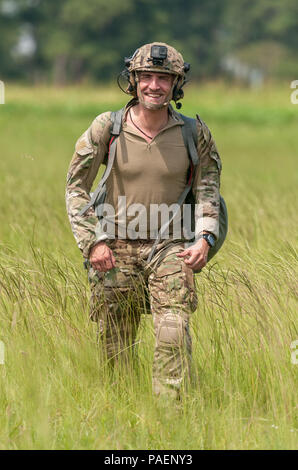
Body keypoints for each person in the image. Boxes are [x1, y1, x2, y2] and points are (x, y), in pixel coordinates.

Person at [65, 42, 222, 399]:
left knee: (173, 331)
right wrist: (93, 242)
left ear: (176, 84)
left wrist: (204, 239)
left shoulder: (193, 132)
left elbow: (210, 190)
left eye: (164, 78)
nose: (155, 85)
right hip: (113, 247)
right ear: (133, 81)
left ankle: (171, 421)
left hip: (171, 246)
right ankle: (119, 412)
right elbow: (75, 187)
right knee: (114, 342)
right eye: (147, 77)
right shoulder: (108, 127)